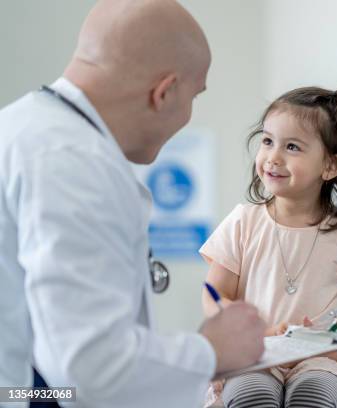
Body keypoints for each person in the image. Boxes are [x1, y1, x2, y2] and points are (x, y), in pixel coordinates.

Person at [0, 1, 265, 406]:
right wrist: (211, 352)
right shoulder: (73, 162)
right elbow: (89, 369)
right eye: (194, 96)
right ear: (165, 91)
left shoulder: (22, 129)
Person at [200, 86, 337, 407]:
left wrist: (323, 345)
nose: (273, 157)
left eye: (292, 146)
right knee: (251, 394)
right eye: (268, 141)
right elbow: (213, 296)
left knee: (315, 393)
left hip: (320, 359)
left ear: (332, 166)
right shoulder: (242, 222)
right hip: (254, 353)